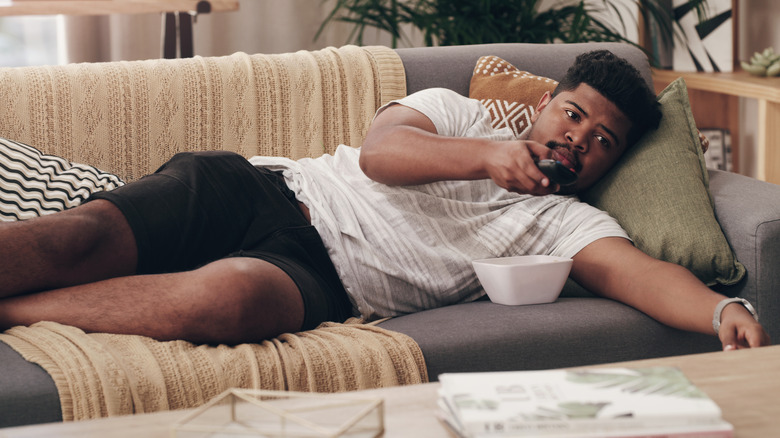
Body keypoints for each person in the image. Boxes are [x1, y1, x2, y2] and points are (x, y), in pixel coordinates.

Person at [0, 51, 770, 350]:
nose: (578, 139)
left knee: (229, 302)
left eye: (602, 140)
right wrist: (488, 158)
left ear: (608, 162)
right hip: (262, 189)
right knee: (73, 239)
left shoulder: (567, 221)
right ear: (547, 106)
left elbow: (639, 274)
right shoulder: (463, 115)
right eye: (573, 115)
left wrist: (719, 311)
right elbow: (382, 154)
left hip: (318, 276)